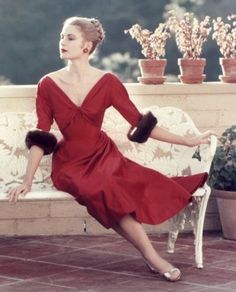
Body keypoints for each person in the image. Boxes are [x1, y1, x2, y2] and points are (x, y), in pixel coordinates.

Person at [7, 16, 213, 282]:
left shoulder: (108, 82)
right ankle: (153, 257)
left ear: (87, 46)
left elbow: (140, 124)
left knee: (112, 193)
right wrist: (26, 180)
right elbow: (42, 134)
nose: (62, 42)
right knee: (105, 191)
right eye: (62, 36)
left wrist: (188, 140)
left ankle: (150, 256)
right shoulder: (48, 84)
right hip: (70, 165)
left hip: (104, 156)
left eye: (70, 37)